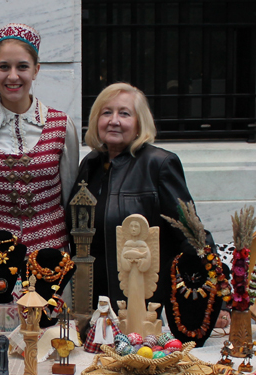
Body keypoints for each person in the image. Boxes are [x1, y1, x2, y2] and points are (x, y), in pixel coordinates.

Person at [69, 82, 210, 312]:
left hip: (142, 306)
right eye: (107, 112)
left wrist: (215, 299)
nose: (114, 120)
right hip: (92, 304)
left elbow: (191, 236)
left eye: (124, 113)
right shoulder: (90, 165)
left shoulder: (159, 164)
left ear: (138, 124)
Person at [0, 23, 79, 253]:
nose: (13, 76)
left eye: (22, 66)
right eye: (4, 66)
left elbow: (69, 193)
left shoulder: (61, 125)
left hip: (51, 253)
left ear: (36, 70)